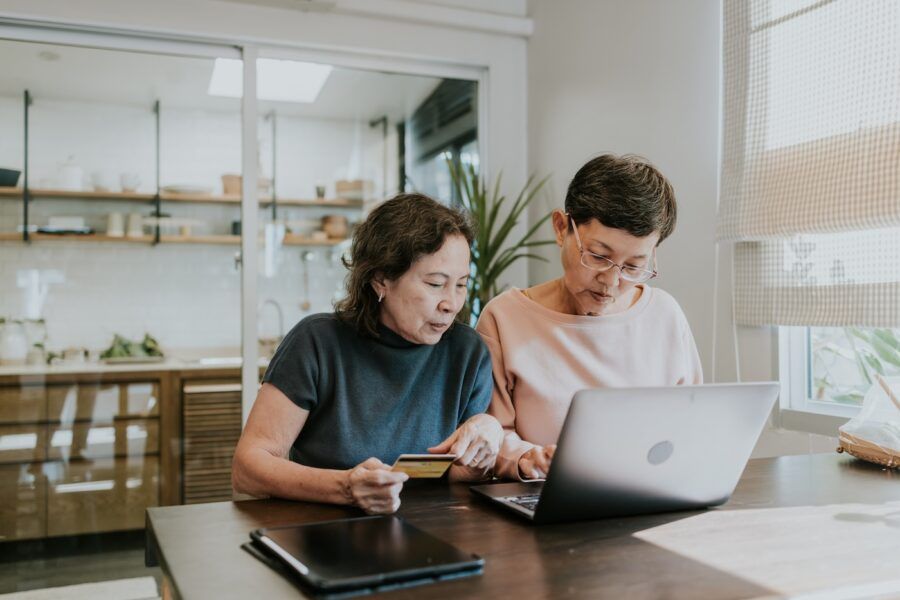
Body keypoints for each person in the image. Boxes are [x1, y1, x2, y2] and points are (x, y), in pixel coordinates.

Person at [233, 193, 503, 514]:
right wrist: (346, 487)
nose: (451, 303)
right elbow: (248, 468)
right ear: (380, 280)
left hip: (429, 532)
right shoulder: (317, 343)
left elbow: (457, 475)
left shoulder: (468, 352)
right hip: (322, 530)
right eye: (435, 284)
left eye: (461, 285)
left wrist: (486, 444)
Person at [476, 154, 703, 481]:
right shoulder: (504, 318)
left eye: (634, 267)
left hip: (647, 493)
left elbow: (692, 425)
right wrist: (527, 458)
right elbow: (491, 434)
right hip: (544, 498)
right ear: (560, 228)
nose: (611, 282)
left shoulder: (665, 315)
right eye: (598, 256)